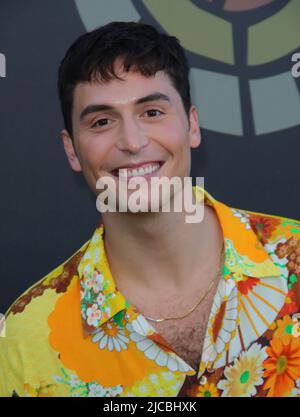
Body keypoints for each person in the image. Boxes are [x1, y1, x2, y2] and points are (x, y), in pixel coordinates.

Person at [1, 21, 300, 398]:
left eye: (152, 112)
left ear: (192, 124)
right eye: (102, 121)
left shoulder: (295, 257)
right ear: (72, 150)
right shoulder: (27, 335)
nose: (132, 141)